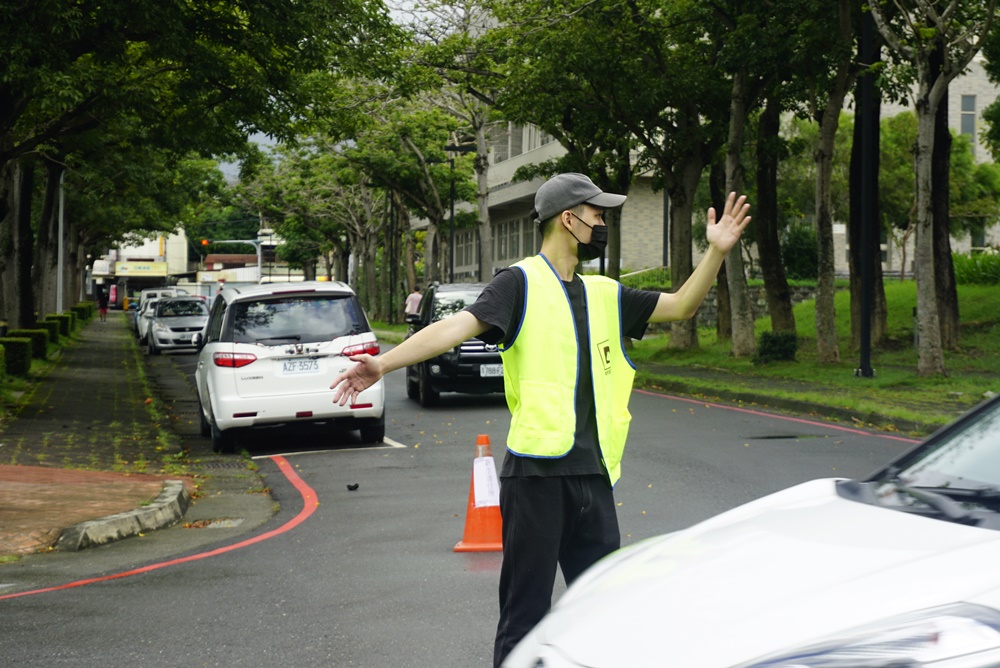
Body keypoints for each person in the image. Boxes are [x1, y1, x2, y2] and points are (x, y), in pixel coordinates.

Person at [329, 172, 751, 667]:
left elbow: (681, 306)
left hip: (594, 479)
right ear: (568, 220)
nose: (602, 223)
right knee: (526, 617)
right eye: (597, 214)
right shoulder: (520, 283)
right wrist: (382, 362)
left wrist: (717, 251)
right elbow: (454, 327)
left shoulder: (604, 294)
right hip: (536, 478)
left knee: (606, 614)